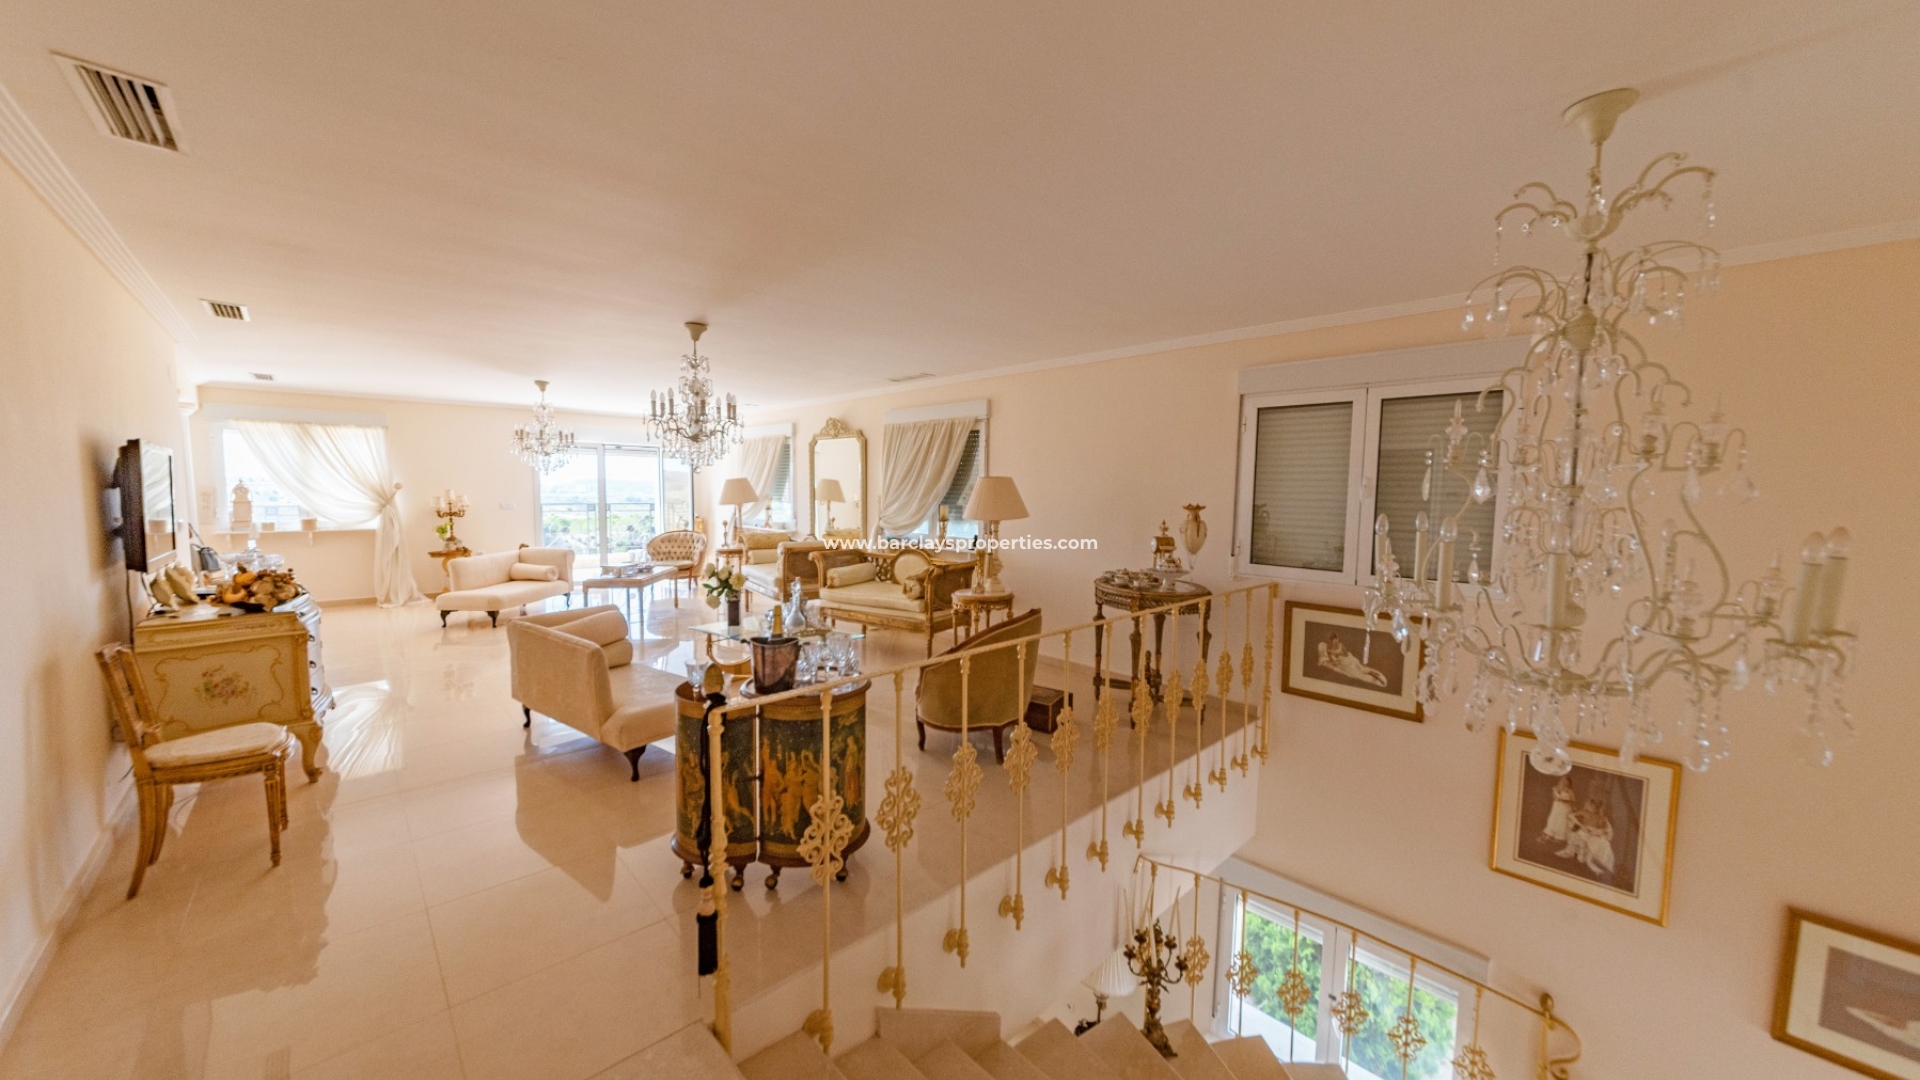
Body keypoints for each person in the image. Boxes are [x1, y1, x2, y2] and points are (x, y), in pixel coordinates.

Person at [1557, 797, 1616, 877]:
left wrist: (1597, 832)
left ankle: (1595, 861)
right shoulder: (1584, 812)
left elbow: (1605, 829)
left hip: (1593, 834)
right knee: (1579, 835)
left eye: (1596, 807)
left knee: (1602, 843)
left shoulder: (1601, 817)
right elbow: (1571, 816)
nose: (1594, 808)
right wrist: (1581, 825)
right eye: (1593, 806)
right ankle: (1580, 857)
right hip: (1584, 831)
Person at [1316, 632, 1388, 687]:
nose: (1334, 642)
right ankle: (1371, 673)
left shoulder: (1330, 650)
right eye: (1333, 641)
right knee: (1361, 669)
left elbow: (1336, 660)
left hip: (1345, 662)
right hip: (1350, 659)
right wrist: (1339, 656)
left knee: (1358, 674)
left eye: (1334, 641)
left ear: (1334, 640)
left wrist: (1337, 659)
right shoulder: (1339, 645)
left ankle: (1372, 675)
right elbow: (1346, 654)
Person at [1541, 776, 1576, 845]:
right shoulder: (1556, 789)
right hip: (1557, 808)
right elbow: (1554, 797)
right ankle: (1550, 835)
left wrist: (1563, 800)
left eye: (1566, 782)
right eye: (1562, 781)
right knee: (1554, 820)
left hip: (1565, 809)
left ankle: (1560, 837)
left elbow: (1572, 802)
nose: (1564, 783)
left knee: (1562, 822)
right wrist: (1558, 792)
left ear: (1569, 783)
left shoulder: (1570, 792)